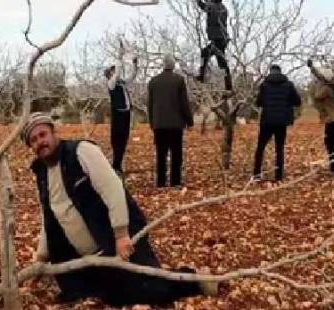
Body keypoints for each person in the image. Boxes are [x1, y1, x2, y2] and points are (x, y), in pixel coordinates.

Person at [22, 112, 217, 305]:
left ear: (54, 133)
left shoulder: (81, 151)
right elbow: (48, 217)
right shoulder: (42, 173)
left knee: (146, 288)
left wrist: (121, 234)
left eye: (42, 135)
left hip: (117, 236)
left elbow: (113, 188)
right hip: (90, 256)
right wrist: (41, 257)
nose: (40, 142)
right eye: (33, 140)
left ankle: (196, 279)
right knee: (99, 296)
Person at [146, 56, 193, 187]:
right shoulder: (179, 80)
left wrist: (152, 122)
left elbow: (150, 104)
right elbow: (184, 103)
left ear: (163, 65)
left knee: (161, 154)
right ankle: (175, 182)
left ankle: (161, 183)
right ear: (173, 66)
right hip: (175, 124)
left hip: (159, 124)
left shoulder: (153, 81)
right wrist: (189, 121)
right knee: (176, 154)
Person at [252, 64, 302, 182]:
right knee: (279, 149)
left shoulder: (264, 85)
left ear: (270, 72)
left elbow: (258, 102)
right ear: (280, 72)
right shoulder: (289, 85)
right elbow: (297, 102)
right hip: (281, 122)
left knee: (260, 148)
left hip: (267, 121)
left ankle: (256, 175)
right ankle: (278, 177)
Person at [308, 59, 334, 176]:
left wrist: (315, 85)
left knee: (330, 144)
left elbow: (316, 96)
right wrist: (312, 68)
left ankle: (333, 168)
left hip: (331, 120)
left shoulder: (325, 89)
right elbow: (322, 76)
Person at [104, 41, 138, 173]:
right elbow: (118, 72)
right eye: (112, 71)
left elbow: (132, 76)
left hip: (126, 114)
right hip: (118, 114)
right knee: (117, 140)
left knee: (124, 139)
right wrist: (120, 56)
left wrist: (135, 63)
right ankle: (116, 166)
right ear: (110, 74)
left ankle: (117, 165)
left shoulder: (122, 83)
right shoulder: (111, 84)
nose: (115, 72)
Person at [194, 0, 233, 91]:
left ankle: (202, 76)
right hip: (223, 39)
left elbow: (202, 5)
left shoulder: (212, 7)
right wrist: (208, 0)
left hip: (217, 39)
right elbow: (212, 7)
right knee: (222, 62)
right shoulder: (223, 8)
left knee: (206, 54)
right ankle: (228, 84)